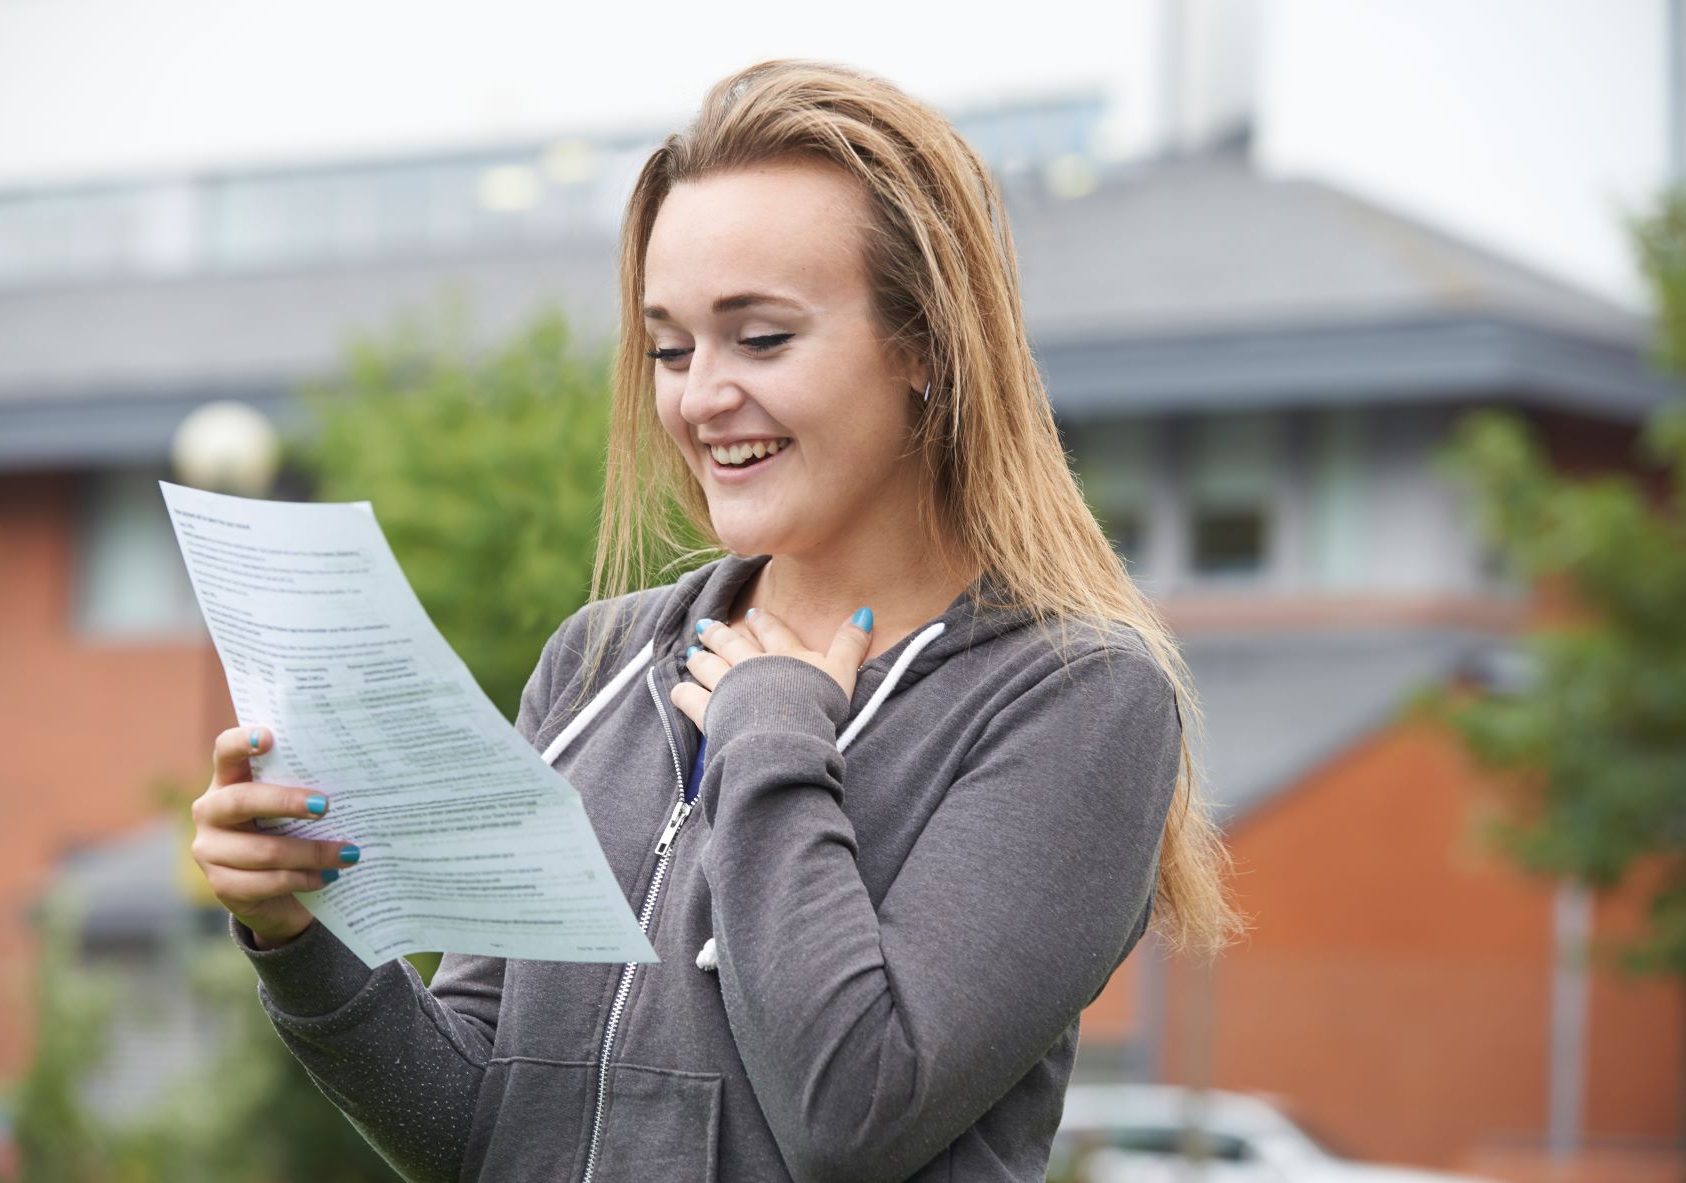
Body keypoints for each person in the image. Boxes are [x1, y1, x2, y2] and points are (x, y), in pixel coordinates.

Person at [189, 58, 1244, 1183]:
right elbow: (485, 1132)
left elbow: (855, 1110)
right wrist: (301, 939)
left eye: (761, 338)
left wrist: (772, 737)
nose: (696, 399)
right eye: (669, 347)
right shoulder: (597, 660)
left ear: (926, 347)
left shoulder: (1077, 698)